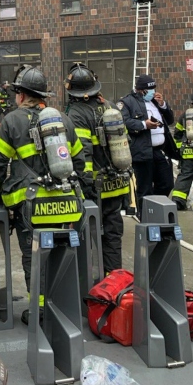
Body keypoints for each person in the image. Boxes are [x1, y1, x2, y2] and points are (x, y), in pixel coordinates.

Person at [0, 65, 90, 325]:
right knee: (61, 253)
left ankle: (40, 309)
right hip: (67, 204)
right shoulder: (63, 120)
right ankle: (62, 306)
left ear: (21, 95)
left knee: (33, 257)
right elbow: (80, 162)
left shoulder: (12, 120)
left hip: (31, 206)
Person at [65, 63, 128, 274]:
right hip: (116, 184)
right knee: (112, 235)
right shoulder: (110, 106)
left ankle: (86, 282)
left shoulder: (77, 113)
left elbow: (83, 155)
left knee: (85, 236)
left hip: (94, 188)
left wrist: (85, 187)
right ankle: (113, 279)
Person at [120, 74, 178, 217]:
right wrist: (144, 124)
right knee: (144, 187)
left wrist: (163, 105)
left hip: (160, 150)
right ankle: (146, 215)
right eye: (149, 90)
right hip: (142, 151)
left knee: (167, 183)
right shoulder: (127, 102)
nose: (152, 92)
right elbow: (123, 121)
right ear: (140, 90)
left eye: (154, 89)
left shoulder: (154, 102)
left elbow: (170, 120)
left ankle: (156, 207)